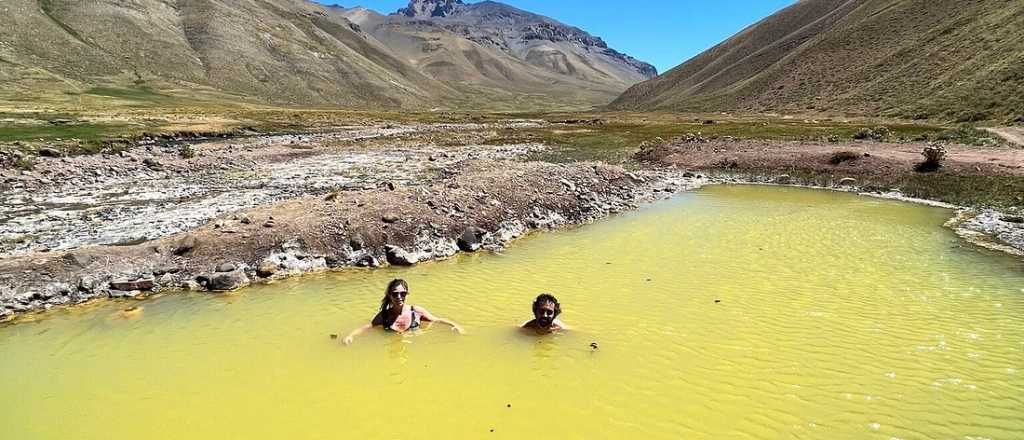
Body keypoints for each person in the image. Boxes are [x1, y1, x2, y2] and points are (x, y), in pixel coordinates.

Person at [343, 279, 464, 345]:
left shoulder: (416, 312)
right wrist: (350, 336)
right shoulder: (384, 316)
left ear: (407, 294)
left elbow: (436, 320)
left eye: (403, 293)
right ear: (389, 296)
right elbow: (368, 327)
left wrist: (455, 325)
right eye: (395, 294)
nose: (399, 297)